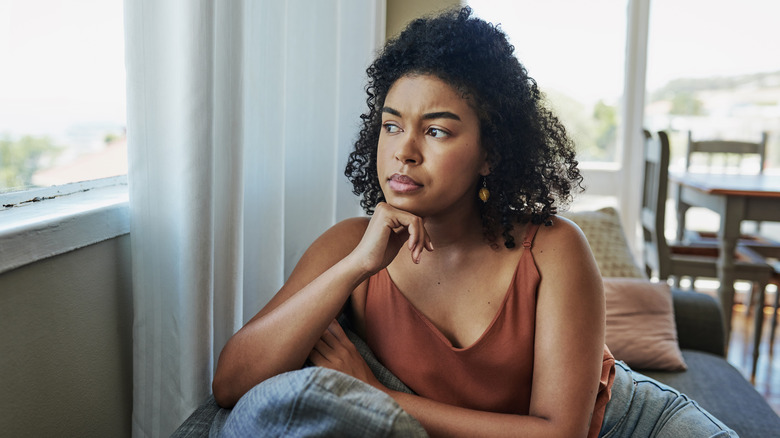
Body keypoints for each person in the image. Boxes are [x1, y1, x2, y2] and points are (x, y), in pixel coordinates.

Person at [212, 7, 737, 437]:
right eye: (392, 126)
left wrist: (377, 396)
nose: (405, 152)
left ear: (490, 152)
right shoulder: (350, 247)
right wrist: (356, 267)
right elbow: (232, 384)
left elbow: (558, 435)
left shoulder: (553, 248)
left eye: (436, 131)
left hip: (632, 427)